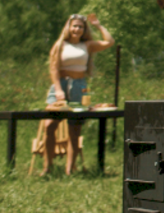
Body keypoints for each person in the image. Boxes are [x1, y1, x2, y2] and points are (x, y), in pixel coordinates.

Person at [43, 13, 114, 175]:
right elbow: (53, 68)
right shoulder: (60, 44)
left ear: (84, 29)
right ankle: (47, 167)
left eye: (80, 27)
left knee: (74, 129)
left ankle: (70, 170)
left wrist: (98, 25)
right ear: (69, 27)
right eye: (74, 26)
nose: (77, 29)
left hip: (79, 86)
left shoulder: (87, 45)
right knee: (49, 125)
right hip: (60, 85)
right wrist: (58, 89)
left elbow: (109, 42)